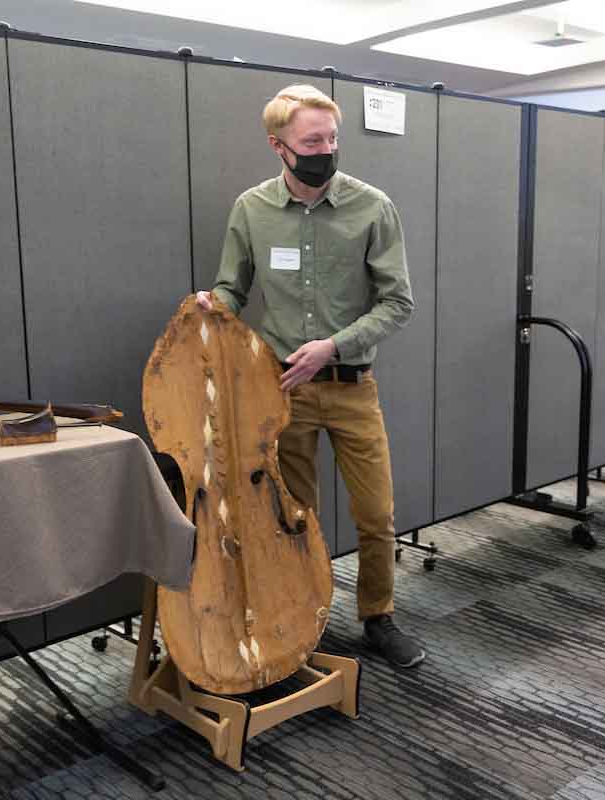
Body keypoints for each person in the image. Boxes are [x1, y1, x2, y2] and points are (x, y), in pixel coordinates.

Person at [195, 84, 424, 668]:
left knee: (377, 514)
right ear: (279, 146)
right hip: (282, 392)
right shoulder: (252, 209)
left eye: (332, 137)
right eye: (312, 140)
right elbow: (232, 289)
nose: (326, 149)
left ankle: (379, 616)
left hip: (351, 388)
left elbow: (397, 303)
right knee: (294, 514)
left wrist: (333, 346)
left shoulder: (372, 207)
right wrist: (211, 305)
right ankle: (304, 616)